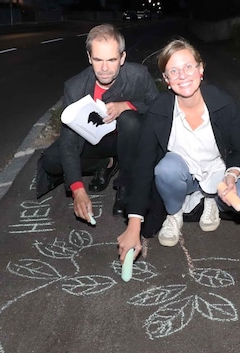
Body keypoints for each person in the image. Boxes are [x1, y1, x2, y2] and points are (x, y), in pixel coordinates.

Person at [116, 38, 240, 262]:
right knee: (165, 168)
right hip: (183, 175)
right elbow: (142, 165)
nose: (182, 75)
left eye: (188, 67)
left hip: (219, 174)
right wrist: (134, 225)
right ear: (166, 80)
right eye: (173, 71)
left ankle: (212, 199)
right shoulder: (159, 111)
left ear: (201, 70)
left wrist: (231, 175)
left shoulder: (224, 105)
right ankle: (175, 213)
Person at [35, 24, 159, 220]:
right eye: (98, 59)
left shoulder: (138, 75)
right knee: (50, 160)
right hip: (94, 142)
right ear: (89, 58)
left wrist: (128, 105)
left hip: (129, 139)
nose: (104, 68)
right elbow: (69, 141)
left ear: (122, 58)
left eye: (112, 60)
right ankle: (106, 163)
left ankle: (125, 185)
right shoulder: (75, 87)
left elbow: (158, 108)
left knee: (130, 121)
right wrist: (77, 189)